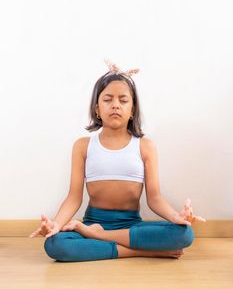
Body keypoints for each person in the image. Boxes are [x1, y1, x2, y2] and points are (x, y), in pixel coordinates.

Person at [29, 60, 205, 262]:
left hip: (131, 226)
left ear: (132, 110)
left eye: (123, 100)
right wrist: (56, 225)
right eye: (107, 99)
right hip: (94, 221)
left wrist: (177, 218)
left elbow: (154, 198)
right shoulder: (83, 145)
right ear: (97, 108)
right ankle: (137, 251)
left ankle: (96, 235)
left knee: (185, 234)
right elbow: (73, 198)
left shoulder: (145, 146)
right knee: (55, 244)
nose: (115, 105)